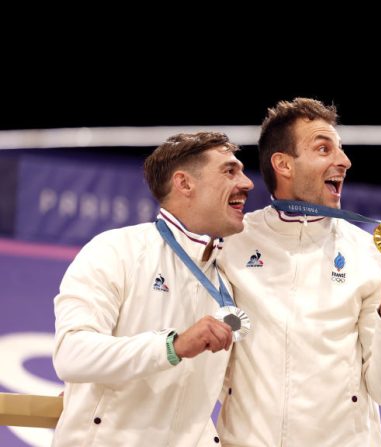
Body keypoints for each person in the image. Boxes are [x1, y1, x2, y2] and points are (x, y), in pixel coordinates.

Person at [216, 98, 381, 446]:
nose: (344, 161)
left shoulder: (368, 253)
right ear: (283, 164)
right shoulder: (231, 245)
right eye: (324, 148)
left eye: (340, 150)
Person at [52, 132, 254, 446]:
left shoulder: (227, 279)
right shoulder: (117, 250)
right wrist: (172, 346)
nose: (247, 183)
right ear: (185, 184)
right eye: (229, 171)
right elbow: (72, 354)